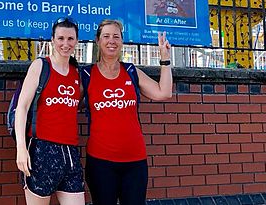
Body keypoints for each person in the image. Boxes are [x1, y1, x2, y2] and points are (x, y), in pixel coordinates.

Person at [83, 19, 172, 205]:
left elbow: (164, 92)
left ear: (122, 41)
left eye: (116, 36)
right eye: (106, 36)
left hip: (135, 162)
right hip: (100, 163)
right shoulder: (86, 75)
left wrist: (165, 59)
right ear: (98, 41)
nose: (111, 41)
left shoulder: (131, 71)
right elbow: (65, 104)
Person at [14, 17, 85, 205]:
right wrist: (21, 148)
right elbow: (21, 107)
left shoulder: (77, 72)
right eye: (61, 38)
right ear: (52, 40)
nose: (65, 44)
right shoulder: (40, 66)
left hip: (70, 153)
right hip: (42, 151)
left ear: (76, 41)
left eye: (70, 39)